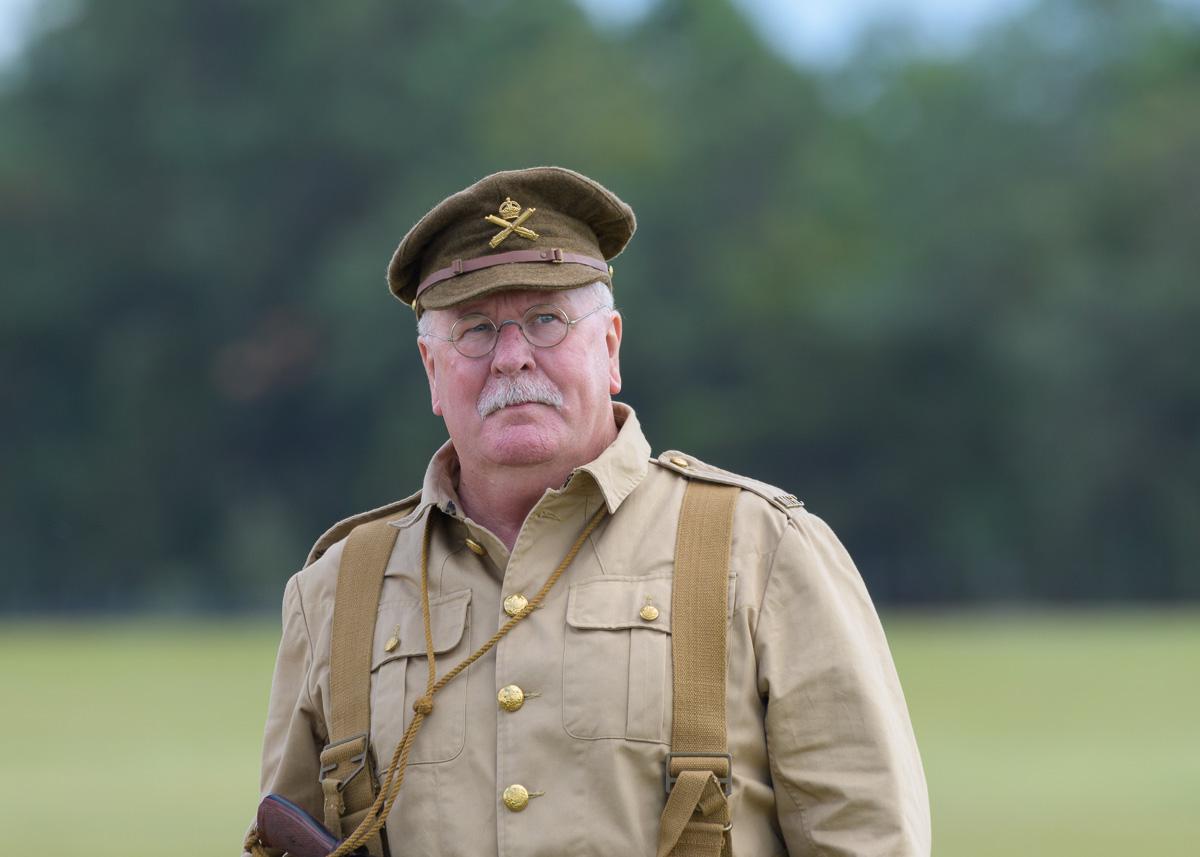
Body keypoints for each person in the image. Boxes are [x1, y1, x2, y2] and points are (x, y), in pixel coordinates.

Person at [243, 167, 931, 857]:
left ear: (609, 347)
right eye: (475, 330)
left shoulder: (765, 550)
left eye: (546, 320)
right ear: (431, 371)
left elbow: (868, 840)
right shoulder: (336, 591)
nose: (512, 358)